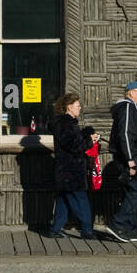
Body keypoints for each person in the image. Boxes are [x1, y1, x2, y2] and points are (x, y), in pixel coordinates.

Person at [105, 82, 137, 242]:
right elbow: (124, 134)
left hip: (130, 156)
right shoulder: (128, 108)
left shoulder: (132, 109)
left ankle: (130, 229)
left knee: (130, 191)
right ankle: (118, 223)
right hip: (129, 157)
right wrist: (130, 159)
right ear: (130, 93)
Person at [47, 93, 98, 239]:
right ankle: (87, 230)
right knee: (80, 199)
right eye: (77, 105)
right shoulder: (65, 123)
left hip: (66, 169)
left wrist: (85, 135)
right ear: (69, 107)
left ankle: (55, 229)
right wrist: (89, 140)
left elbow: (71, 141)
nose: (80, 108)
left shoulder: (66, 123)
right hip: (71, 169)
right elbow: (72, 145)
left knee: (64, 199)